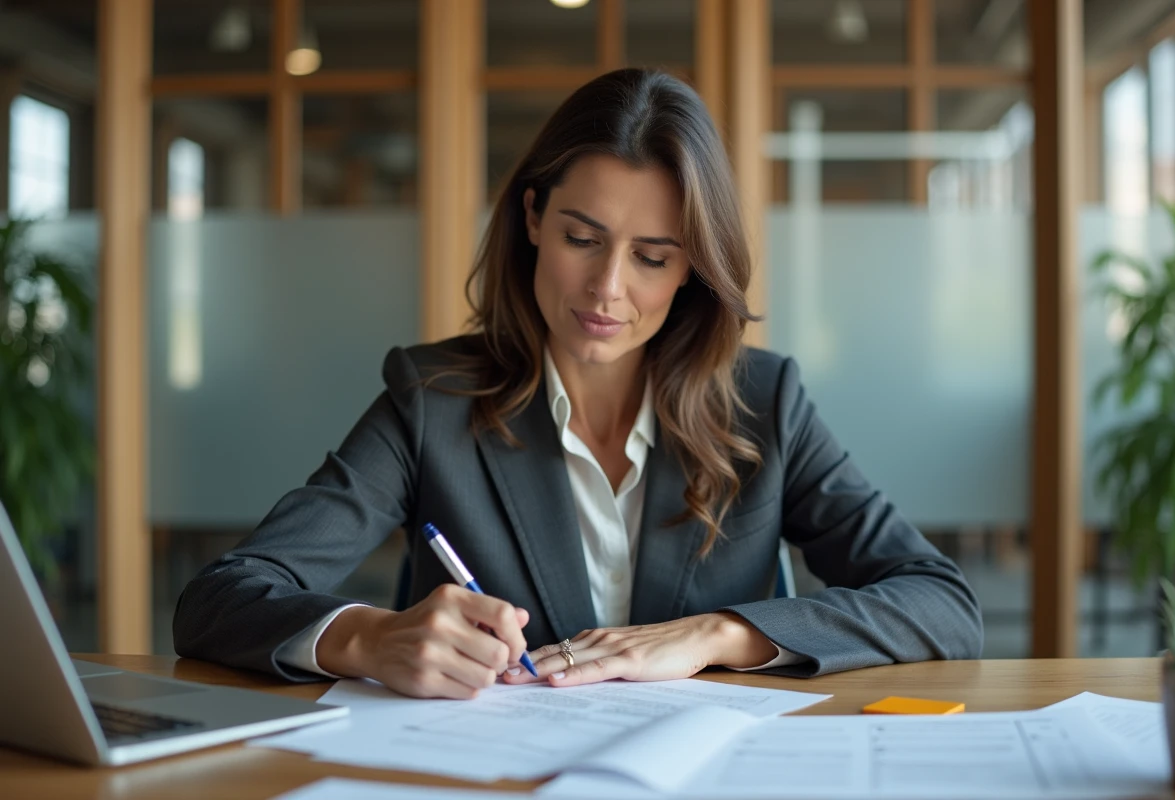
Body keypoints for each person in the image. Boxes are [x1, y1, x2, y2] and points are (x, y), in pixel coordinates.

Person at [174, 68, 983, 700]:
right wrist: (366, 637)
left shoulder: (763, 404)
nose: (607, 289)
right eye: (581, 239)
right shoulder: (432, 400)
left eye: (653, 257)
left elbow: (941, 601)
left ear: (693, 269)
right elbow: (220, 598)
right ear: (533, 219)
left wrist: (716, 634)